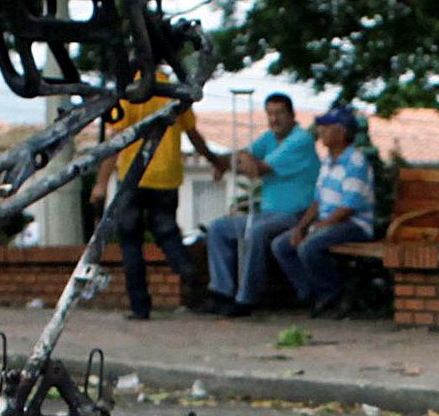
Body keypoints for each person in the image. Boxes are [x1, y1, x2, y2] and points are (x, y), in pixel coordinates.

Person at [97, 83, 220, 318]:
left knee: (131, 242)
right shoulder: (175, 93)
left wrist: (101, 183)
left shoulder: (131, 92)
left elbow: (116, 141)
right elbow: (194, 136)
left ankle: (140, 307)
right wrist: (214, 161)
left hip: (134, 177)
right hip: (166, 178)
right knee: (168, 234)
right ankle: (188, 275)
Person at [203, 93, 316, 314]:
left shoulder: (300, 140)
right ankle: (221, 292)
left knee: (255, 231)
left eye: (280, 113)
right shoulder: (269, 138)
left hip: (296, 214)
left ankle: (247, 299)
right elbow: (240, 156)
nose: (274, 119)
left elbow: (256, 170)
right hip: (267, 212)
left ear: (292, 115)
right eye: (270, 114)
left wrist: (239, 160)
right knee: (218, 228)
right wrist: (233, 160)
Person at [270, 108, 378, 315]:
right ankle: (309, 293)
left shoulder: (355, 161)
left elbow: (347, 208)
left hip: (354, 225)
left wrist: (317, 228)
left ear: (342, 132)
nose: (321, 131)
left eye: (327, 127)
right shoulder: (328, 161)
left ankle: (332, 293)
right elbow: (318, 201)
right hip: (329, 222)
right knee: (282, 245)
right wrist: (301, 228)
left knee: (309, 246)